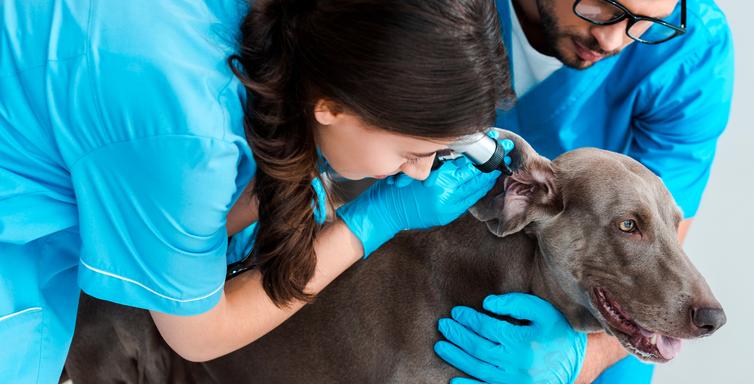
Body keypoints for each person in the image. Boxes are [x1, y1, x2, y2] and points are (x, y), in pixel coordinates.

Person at [0, 1, 514, 382]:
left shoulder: (299, 32)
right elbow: (197, 332)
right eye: (411, 153)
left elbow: (161, 233)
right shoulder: (189, 132)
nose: (422, 173)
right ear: (332, 107)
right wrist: (374, 220)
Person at [433, 0, 735, 383]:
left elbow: (663, 229)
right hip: (436, 266)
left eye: (646, 22)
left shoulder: (690, 51)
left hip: (598, 312)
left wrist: (577, 365)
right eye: (602, 5)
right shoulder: (431, 9)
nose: (611, 39)